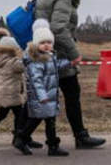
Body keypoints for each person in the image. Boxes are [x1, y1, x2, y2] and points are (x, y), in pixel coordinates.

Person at [34, 0, 106, 149]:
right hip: (59, 52)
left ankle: (21, 135)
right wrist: (74, 53)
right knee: (71, 93)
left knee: (43, 94)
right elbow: (58, 28)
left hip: (45, 50)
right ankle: (81, 136)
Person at [13, 20, 71, 156]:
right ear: (36, 44)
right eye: (43, 42)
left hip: (49, 96)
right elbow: (36, 81)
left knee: (49, 120)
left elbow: (55, 67)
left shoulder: (49, 57)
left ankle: (51, 145)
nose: (46, 45)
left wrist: (69, 62)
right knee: (37, 120)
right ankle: (23, 139)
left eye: (49, 42)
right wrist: (42, 96)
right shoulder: (36, 61)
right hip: (41, 97)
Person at [0, 28, 41, 148]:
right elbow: (24, 66)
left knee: (3, 113)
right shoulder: (12, 62)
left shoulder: (3, 60)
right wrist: (31, 54)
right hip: (12, 92)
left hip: (7, 91)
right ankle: (18, 137)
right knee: (19, 115)